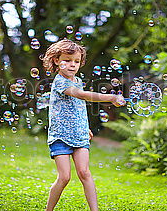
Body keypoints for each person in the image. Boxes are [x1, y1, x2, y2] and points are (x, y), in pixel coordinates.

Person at [42, 39, 126, 211]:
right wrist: (110, 97)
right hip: (60, 136)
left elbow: (77, 107)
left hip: (79, 134)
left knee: (84, 172)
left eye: (77, 61)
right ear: (56, 61)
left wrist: (83, 127)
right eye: (67, 60)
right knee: (64, 177)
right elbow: (81, 96)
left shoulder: (77, 80)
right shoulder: (60, 82)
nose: (72, 65)